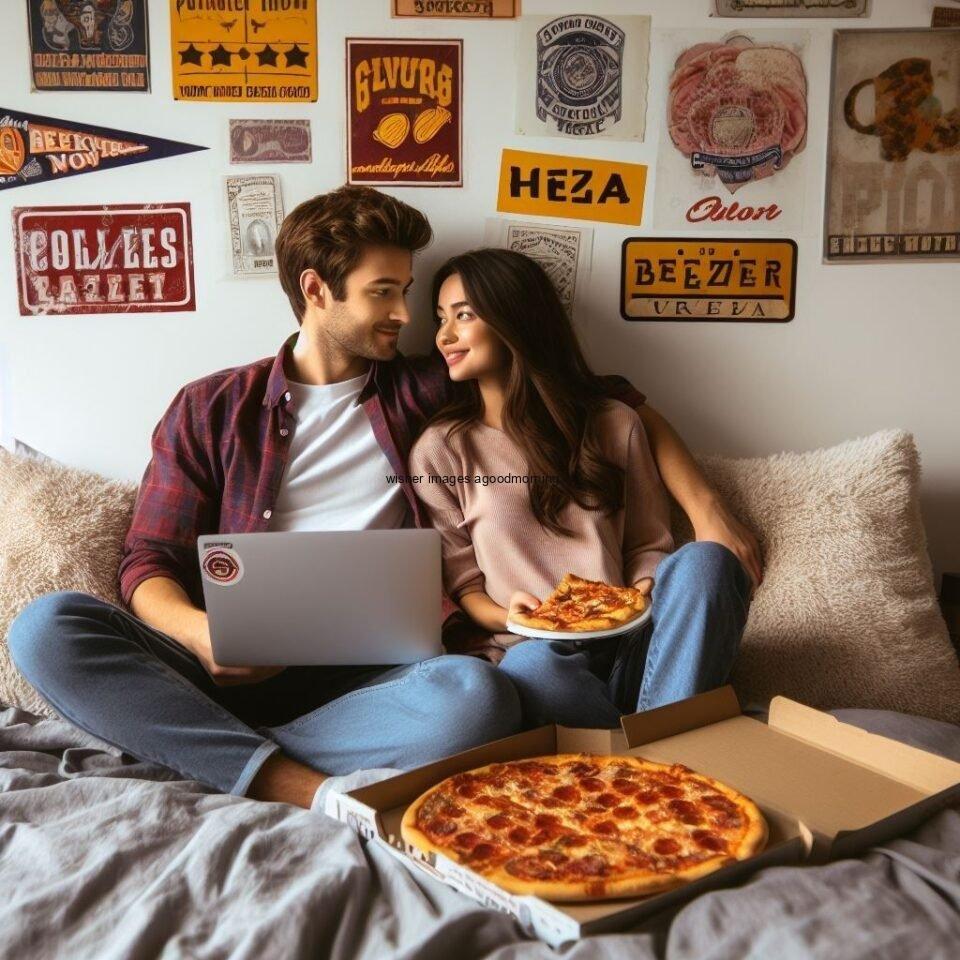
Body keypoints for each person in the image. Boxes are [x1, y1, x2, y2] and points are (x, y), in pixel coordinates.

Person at [9, 186, 760, 813]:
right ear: (315, 288)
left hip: (382, 686)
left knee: (478, 697)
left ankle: (204, 748)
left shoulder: (421, 389)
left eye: (409, 293)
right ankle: (280, 776)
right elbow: (147, 560)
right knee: (46, 628)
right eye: (385, 293)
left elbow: (590, 393)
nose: (408, 316)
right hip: (227, 671)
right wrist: (204, 637)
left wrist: (707, 507)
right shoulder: (212, 407)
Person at [409, 249, 753, 729]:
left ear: (515, 319)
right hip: (539, 655)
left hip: (633, 644)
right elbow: (464, 585)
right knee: (531, 668)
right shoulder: (440, 450)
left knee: (709, 560)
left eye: (463, 316)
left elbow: (649, 544)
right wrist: (508, 615)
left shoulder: (615, 423)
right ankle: (668, 745)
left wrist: (636, 594)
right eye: (440, 318)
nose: (443, 335)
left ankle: (650, 749)